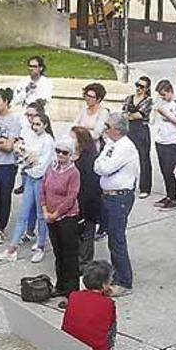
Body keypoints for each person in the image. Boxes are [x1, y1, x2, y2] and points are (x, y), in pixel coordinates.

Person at [0, 113, 55, 263]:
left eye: (38, 124)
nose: (35, 127)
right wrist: (28, 161)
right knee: (23, 214)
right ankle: (12, 248)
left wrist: (29, 162)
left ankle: (40, 245)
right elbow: (22, 158)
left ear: (45, 125)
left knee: (41, 215)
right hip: (30, 178)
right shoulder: (31, 137)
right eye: (33, 124)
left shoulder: (48, 140)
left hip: (40, 180)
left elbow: (43, 165)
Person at [93, 113, 140, 297]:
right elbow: (98, 164)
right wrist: (102, 165)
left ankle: (124, 281)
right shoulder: (111, 144)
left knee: (117, 239)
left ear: (118, 129)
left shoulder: (125, 147)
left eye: (108, 125)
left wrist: (102, 165)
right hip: (108, 196)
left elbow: (104, 168)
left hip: (119, 198)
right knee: (112, 238)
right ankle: (117, 274)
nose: (105, 128)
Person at [42, 136, 81, 302]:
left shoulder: (73, 172)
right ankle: (61, 285)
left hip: (67, 217)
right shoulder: (51, 167)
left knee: (70, 255)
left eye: (64, 152)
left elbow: (71, 197)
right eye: (58, 151)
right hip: (50, 216)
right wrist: (45, 210)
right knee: (58, 253)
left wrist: (56, 214)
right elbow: (42, 189)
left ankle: (72, 292)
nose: (60, 155)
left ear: (71, 154)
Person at [61, 260, 117, 350]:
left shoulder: (73, 295)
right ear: (105, 285)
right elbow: (110, 329)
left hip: (68, 349)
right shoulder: (108, 304)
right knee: (111, 328)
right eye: (110, 281)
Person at [0, 88, 22, 244]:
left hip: (7, 164)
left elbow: (9, 146)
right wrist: (0, 141)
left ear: (6, 102)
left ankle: (1, 228)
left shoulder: (14, 120)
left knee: (4, 196)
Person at [72, 126, 102, 272]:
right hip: (73, 203)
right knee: (75, 235)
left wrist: (82, 209)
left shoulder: (89, 160)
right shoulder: (71, 156)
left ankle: (84, 265)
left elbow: (90, 187)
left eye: (73, 138)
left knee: (86, 236)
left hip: (86, 204)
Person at [152, 79, 176, 210]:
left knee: (168, 170)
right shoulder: (161, 102)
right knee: (163, 171)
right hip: (161, 139)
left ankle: (173, 197)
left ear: (170, 91)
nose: (162, 97)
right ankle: (168, 195)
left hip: (172, 141)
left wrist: (166, 114)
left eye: (164, 94)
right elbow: (155, 106)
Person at [123, 76, 153, 199]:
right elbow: (124, 112)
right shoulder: (129, 98)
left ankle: (145, 187)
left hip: (141, 129)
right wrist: (130, 115)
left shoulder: (148, 100)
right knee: (127, 156)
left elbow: (140, 115)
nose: (139, 88)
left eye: (142, 86)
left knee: (143, 158)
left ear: (147, 88)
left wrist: (130, 115)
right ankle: (128, 183)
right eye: (137, 85)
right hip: (129, 129)